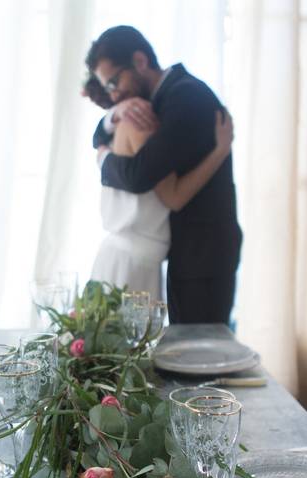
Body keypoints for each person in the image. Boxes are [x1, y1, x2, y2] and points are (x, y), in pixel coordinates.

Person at [85, 26, 242, 324]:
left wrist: (103, 157)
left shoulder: (185, 97)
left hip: (203, 254)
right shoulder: (143, 108)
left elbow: (140, 175)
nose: (114, 94)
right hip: (175, 255)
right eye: (108, 89)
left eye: (115, 82)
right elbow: (104, 140)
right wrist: (110, 122)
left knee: (197, 357)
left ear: (140, 61)